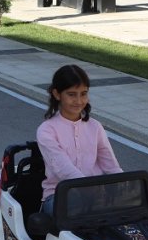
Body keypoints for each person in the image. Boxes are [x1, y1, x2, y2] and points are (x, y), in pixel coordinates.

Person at [36, 64, 122, 216]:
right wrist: (91, 191)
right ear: (57, 94)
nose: (79, 100)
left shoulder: (95, 126)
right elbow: (63, 169)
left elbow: (111, 166)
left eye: (83, 94)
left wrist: (125, 187)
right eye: (71, 94)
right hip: (58, 196)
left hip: (97, 195)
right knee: (90, 215)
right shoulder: (47, 130)